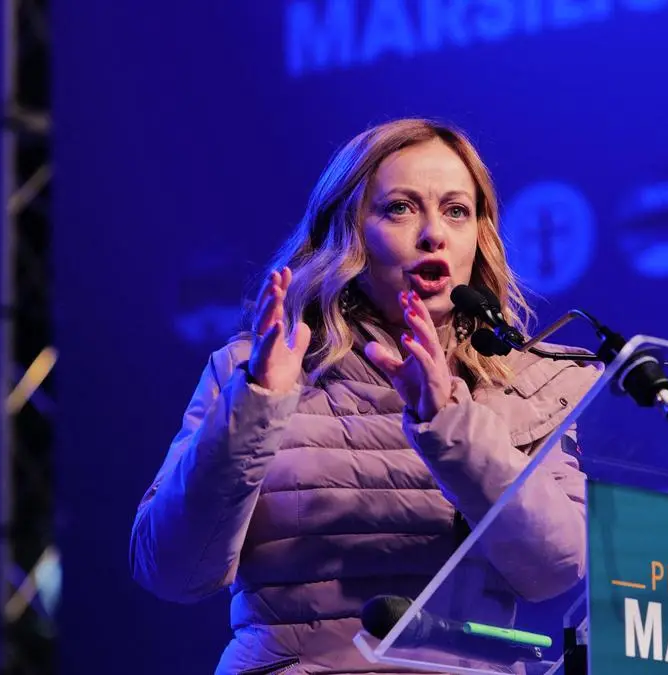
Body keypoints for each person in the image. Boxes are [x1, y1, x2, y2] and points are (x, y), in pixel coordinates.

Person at [129, 118, 601, 674]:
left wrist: (448, 422)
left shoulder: (531, 383)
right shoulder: (254, 369)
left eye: (456, 210)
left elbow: (555, 567)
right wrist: (258, 402)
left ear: (482, 234)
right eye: (400, 208)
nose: (434, 234)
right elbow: (171, 570)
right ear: (348, 232)